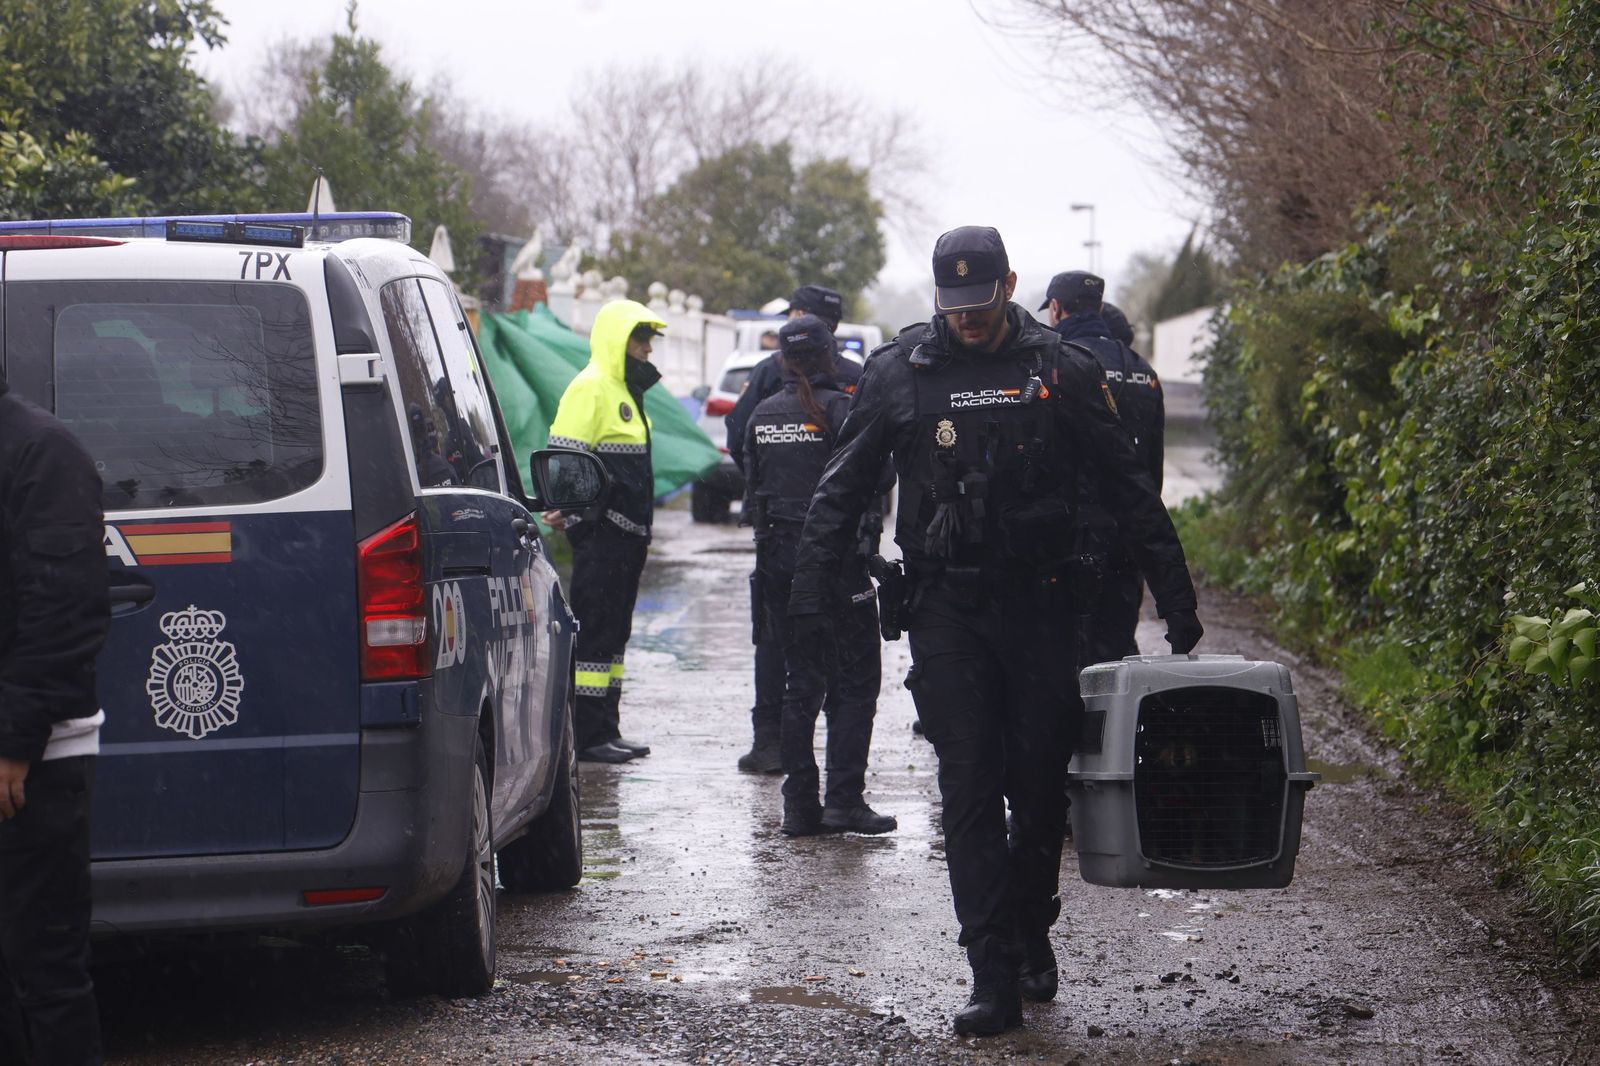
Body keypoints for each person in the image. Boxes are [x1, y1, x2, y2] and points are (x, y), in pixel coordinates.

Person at [788, 227, 1202, 1036]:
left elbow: (1127, 487)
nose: (967, 319)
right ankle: (991, 972)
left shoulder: (1059, 369)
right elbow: (841, 492)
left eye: (980, 304)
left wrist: (1174, 598)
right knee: (970, 785)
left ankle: (1029, 929)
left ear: (1010, 285)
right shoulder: (901, 375)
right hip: (947, 610)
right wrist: (807, 600)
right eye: (953, 304)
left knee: (1040, 788)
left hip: (1044, 606)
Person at [742, 316, 895, 836]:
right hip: (835, 564)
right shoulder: (840, 411)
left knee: (799, 683)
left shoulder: (761, 414)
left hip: (778, 566)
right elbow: (882, 475)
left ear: (783, 360)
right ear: (831, 356)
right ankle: (844, 800)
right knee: (854, 683)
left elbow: (752, 490)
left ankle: (799, 805)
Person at [0, 371, 112, 1066]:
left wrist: (12, 741)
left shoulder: (41, 451)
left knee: (41, 976)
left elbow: (63, 610)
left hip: (32, 762)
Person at [726, 284, 865, 774]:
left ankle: (776, 751)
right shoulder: (853, 379)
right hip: (836, 541)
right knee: (840, 659)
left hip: (781, 539)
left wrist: (777, 494)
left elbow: (743, 443)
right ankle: (835, 780)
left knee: (784, 647)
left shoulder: (774, 376)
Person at [545, 299, 668, 764]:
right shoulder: (591, 388)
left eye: (650, 340)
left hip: (630, 537)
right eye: (640, 339)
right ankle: (588, 735)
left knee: (615, 635)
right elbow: (566, 456)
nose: (646, 349)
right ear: (619, 339)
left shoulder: (627, 393)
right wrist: (577, 518)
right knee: (594, 632)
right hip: (602, 537)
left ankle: (606, 728)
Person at [1039, 272, 1166, 663]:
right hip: (1126, 537)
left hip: (1066, 538)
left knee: (1062, 660)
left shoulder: (1054, 364)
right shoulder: (1145, 372)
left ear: (1057, 309)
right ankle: (1112, 724)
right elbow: (1152, 469)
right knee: (1114, 657)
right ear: (1099, 307)